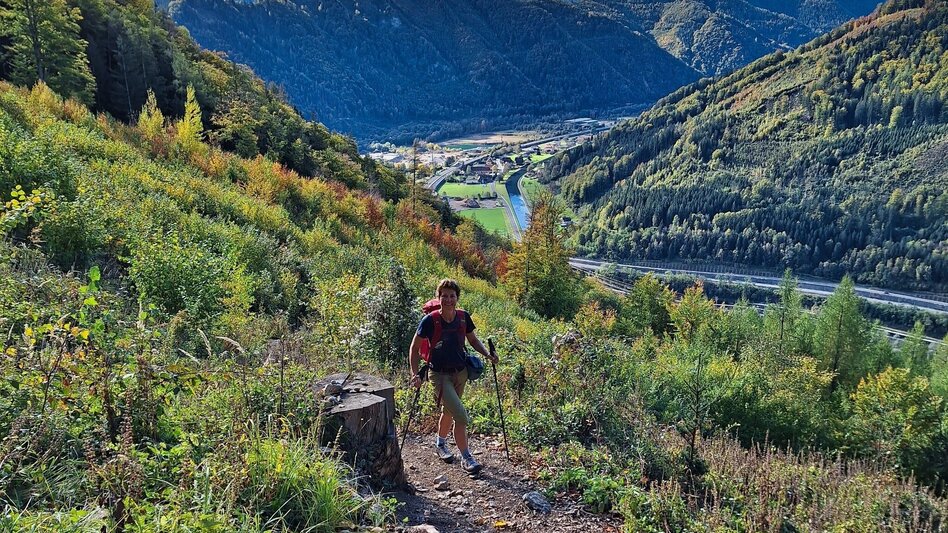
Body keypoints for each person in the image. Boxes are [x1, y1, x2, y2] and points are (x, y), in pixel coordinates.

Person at [409, 278, 497, 474]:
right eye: (444, 296)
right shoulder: (430, 321)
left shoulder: (463, 317)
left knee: (449, 411)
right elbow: (414, 348)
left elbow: (473, 340)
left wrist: (487, 355)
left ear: (457, 297)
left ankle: (440, 443)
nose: (448, 299)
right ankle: (467, 458)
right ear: (438, 297)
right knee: (461, 416)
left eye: (452, 296)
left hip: (461, 373)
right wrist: (414, 374)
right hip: (439, 375)